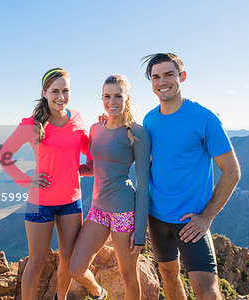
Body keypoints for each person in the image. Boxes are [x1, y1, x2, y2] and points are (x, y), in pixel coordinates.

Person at [141, 53, 241, 300]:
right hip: (156, 217)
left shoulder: (204, 118)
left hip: (190, 221)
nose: (162, 81)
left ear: (181, 77)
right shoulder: (149, 119)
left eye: (168, 74)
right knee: (168, 276)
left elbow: (232, 171)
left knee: (207, 291)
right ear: (151, 82)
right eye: (156, 77)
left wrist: (206, 217)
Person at [0, 68, 89, 300]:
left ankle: (61, 297)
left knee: (67, 258)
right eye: (55, 91)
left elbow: (90, 150)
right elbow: (3, 155)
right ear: (44, 93)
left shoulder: (77, 118)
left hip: (72, 199)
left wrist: (88, 168)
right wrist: (27, 180)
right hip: (41, 201)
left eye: (65, 91)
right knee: (36, 261)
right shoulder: (32, 124)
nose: (61, 96)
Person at [69, 74, 151, 300]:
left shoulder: (137, 133)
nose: (111, 102)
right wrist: (65, 170)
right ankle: (99, 293)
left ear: (127, 98)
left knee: (128, 277)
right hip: (98, 210)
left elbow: (143, 185)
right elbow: (91, 168)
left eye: (117, 96)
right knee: (76, 269)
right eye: (107, 96)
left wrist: (140, 229)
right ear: (101, 97)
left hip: (124, 211)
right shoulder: (96, 128)